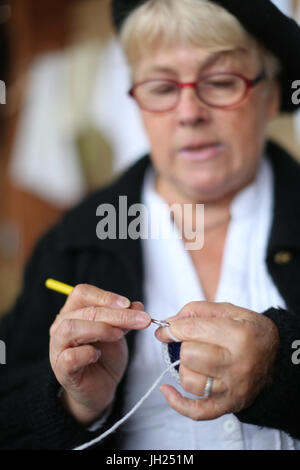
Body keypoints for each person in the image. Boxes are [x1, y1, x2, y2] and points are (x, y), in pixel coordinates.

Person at [0, 0, 300, 450]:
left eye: (220, 82)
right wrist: (73, 404)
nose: (189, 112)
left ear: (271, 92)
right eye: (161, 88)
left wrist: (282, 372)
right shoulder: (71, 247)